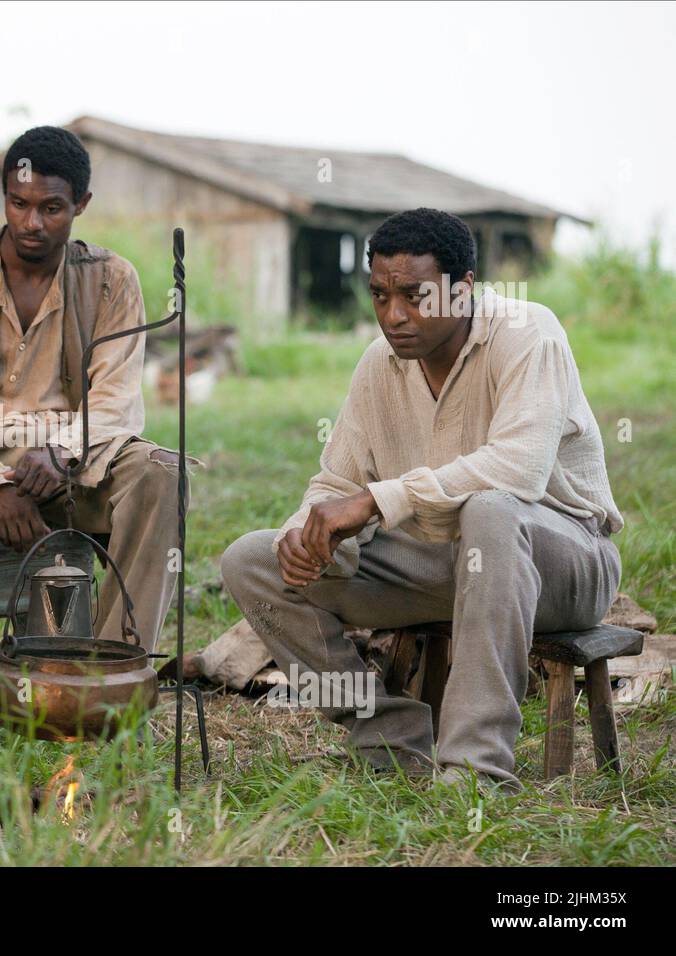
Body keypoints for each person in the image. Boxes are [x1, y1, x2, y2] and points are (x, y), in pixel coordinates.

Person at [219, 208, 622, 790]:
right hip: (441, 564)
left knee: (490, 508)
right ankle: (391, 739)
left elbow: (517, 469)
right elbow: (337, 482)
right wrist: (303, 535)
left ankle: (474, 768)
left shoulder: (528, 334)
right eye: (380, 295)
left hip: (560, 564)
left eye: (415, 295)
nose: (394, 315)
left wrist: (375, 502)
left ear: (464, 289)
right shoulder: (379, 364)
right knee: (252, 559)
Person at [0, 126, 188, 736]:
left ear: (81, 204)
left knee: (163, 474)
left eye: (51, 208)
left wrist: (61, 452)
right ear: (4, 196)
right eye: (18, 203)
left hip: (77, 468)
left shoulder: (112, 280)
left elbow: (115, 401)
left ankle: (107, 690)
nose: (32, 222)